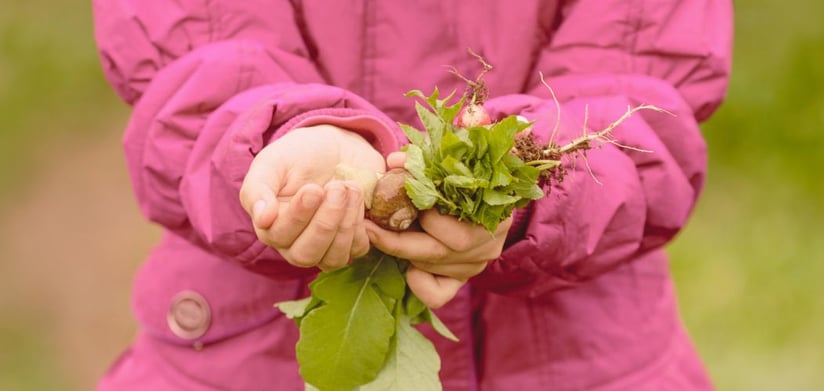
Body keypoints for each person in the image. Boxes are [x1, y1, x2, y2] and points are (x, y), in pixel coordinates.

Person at [92, 0, 732, 390]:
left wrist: (518, 188)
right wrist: (275, 140)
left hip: (579, 358)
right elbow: (189, 76)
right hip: (244, 359)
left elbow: (642, 106)